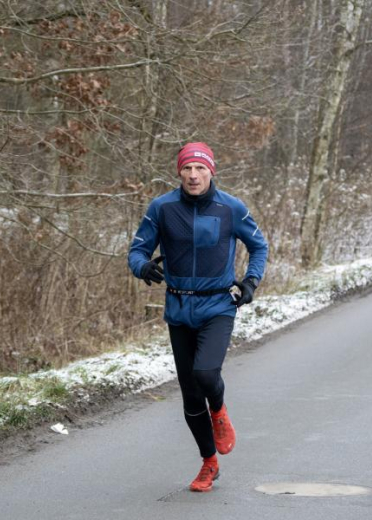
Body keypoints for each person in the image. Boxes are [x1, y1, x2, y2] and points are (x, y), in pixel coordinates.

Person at [128, 142, 268, 492]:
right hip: (178, 308)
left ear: (211, 171)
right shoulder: (162, 208)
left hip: (218, 305)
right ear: (179, 172)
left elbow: (259, 246)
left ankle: (219, 412)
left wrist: (251, 281)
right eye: (187, 169)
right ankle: (209, 463)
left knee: (206, 374)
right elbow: (137, 249)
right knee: (190, 396)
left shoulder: (229, 208)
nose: (193, 175)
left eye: (200, 169)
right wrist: (142, 266)